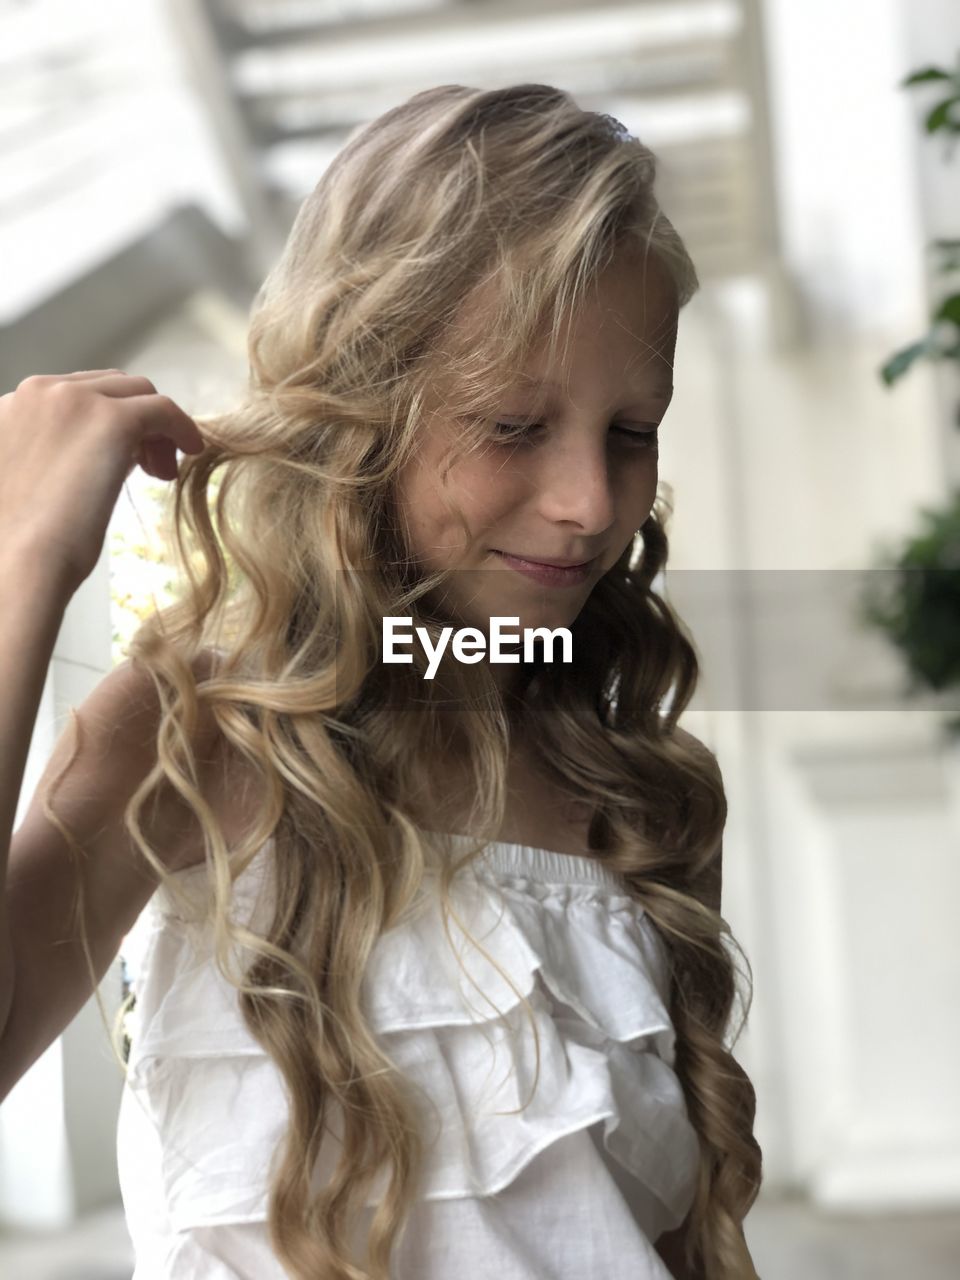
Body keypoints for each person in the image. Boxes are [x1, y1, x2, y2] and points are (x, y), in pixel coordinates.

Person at [0, 83, 763, 1279]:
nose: (591, 504)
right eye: (514, 424)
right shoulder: (194, 734)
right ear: (361, 406)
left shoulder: (626, 788)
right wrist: (23, 566)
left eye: (632, 429)